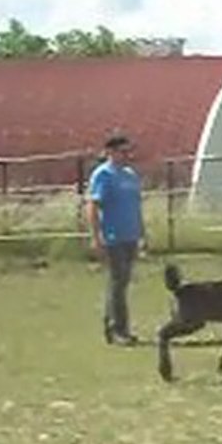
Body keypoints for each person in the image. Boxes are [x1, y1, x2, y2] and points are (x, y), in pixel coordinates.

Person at [86, 133, 147, 345]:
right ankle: (119, 330)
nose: (126, 155)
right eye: (122, 151)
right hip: (113, 237)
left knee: (121, 283)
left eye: (128, 151)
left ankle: (111, 326)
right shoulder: (103, 175)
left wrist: (142, 233)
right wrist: (96, 237)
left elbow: (136, 206)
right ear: (110, 152)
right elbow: (93, 207)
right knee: (118, 283)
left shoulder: (130, 175)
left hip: (130, 236)